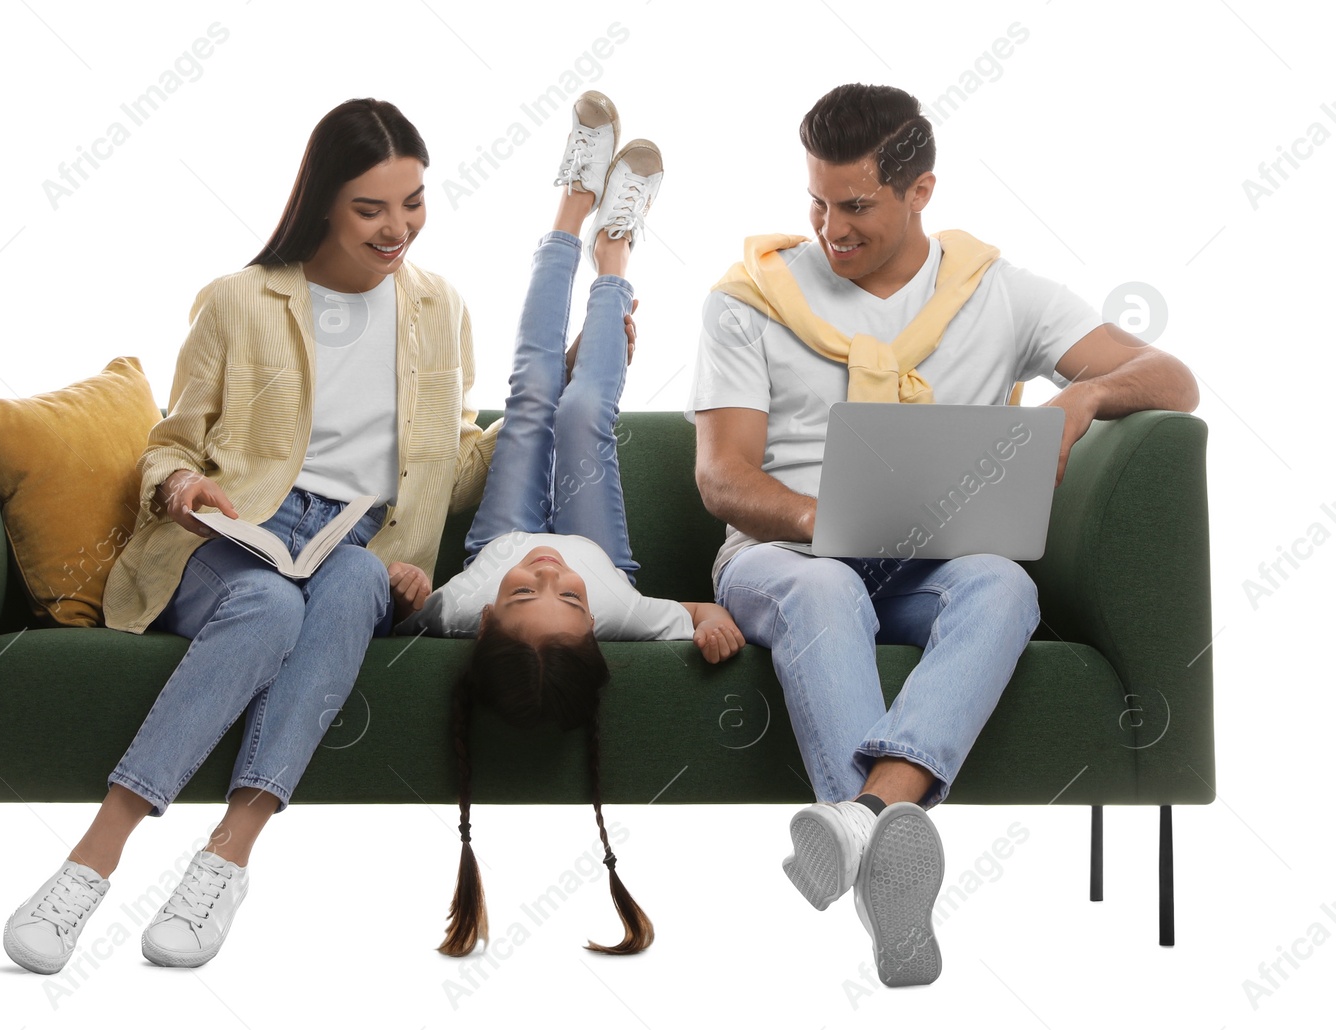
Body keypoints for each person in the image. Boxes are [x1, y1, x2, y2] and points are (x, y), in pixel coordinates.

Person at [689, 83, 1198, 987]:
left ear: (921, 190)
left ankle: (861, 823)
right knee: (826, 584)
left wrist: (1082, 393)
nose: (829, 229)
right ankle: (893, 845)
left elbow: (1172, 379)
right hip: (785, 561)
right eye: (817, 201)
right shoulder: (750, 298)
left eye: (855, 206)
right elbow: (722, 477)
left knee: (1006, 585)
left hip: (930, 567)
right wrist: (832, 523)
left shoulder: (998, 294)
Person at [3, 98, 499, 974]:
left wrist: (554, 396)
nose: (399, 229)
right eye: (371, 208)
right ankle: (93, 860)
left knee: (352, 583)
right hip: (238, 537)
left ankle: (225, 861)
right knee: (268, 603)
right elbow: (170, 443)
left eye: (414, 201)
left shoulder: (440, 309)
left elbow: (451, 468)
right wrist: (184, 486)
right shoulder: (241, 299)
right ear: (322, 203)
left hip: (356, 545)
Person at [399, 92, 745, 958]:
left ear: (486, 613)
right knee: (586, 405)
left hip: (497, 524)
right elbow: (695, 616)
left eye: (527, 591)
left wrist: (400, 588)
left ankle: (573, 204)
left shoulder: (461, 603)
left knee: (529, 395)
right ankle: (619, 251)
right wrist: (712, 628)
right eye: (569, 598)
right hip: (611, 545)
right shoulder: (623, 610)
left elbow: (399, 607)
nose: (551, 570)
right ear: (600, 622)